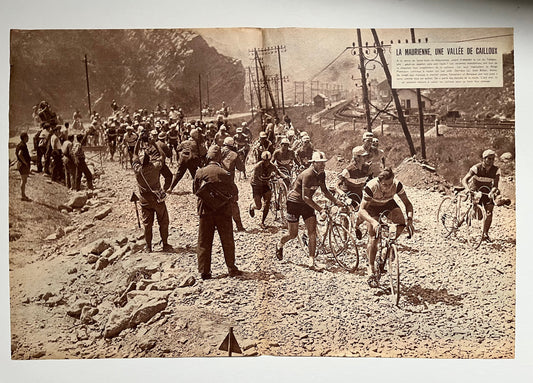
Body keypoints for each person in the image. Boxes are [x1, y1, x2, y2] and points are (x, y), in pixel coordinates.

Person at [275, 151, 343, 268]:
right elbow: (305, 197)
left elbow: (325, 191)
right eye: (320, 163)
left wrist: (336, 201)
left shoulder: (322, 174)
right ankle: (280, 244)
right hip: (294, 203)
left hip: (307, 204)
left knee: (312, 232)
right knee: (293, 234)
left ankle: (311, 261)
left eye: (324, 163)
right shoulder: (308, 174)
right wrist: (320, 209)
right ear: (313, 163)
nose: (323, 165)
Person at [358, 167, 414, 287]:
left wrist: (409, 220)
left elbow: (408, 204)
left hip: (388, 204)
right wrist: (373, 222)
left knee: (401, 222)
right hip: (371, 207)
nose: (388, 187)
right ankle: (371, 268)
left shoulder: (397, 185)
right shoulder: (371, 186)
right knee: (374, 237)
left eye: (390, 184)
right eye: (385, 185)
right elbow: (361, 210)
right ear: (379, 182)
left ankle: (386, 249)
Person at [193, 145, 242, 280]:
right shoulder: (225, 174)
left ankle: (205, 271)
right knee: (227, 240)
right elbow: (234, 192)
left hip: (205, 211)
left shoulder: (200, 172)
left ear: (208, 157)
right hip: (223, 211)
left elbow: (195, 190)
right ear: (220, 158)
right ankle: (231, 268)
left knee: (204, 241)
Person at [132, 136, 173, 253]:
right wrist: (154, 143)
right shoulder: (155, 167)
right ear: (149, 159)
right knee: (163, 222)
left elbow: (134, 154)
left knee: (147, 224)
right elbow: (162, 156)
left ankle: (148, 247)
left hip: (144, 200)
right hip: (157, 199)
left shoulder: (137, 169)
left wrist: (139, 140)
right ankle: (165, 244)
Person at [461, 149, 501, 242]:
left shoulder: (496, 170)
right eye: (489, 159)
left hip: (487, 192)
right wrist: (467, 189)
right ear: (483, 159)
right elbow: (464, 180)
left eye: (493, 159)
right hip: (476, 191)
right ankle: (466, 215)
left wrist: (493, 191)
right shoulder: (476, 168)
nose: (491, 161)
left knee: (489, 213)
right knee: (478, 216)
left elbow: (495, 185)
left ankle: (485, 234)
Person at [336, 145, 371, 239]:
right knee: (346, 213)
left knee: (367, 211)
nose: (365, 158)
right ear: (357, 157)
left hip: (359, 194)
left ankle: (356, 226)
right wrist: (341, 193)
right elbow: (336, 185)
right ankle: (345, 238)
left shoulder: (367, 168)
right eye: (363, 156)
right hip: (348, 194)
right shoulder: (348, 170)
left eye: (365, 156)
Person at [249, 151, 289, 228]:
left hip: (265, 185)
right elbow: (259, 178)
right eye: (265, 161)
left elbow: (278, 172)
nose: (267, 163)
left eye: (268, 161)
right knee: (258, 206)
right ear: (262, 160)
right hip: (256, 185)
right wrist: (269, 178)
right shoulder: (258, 166)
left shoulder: (272, 166)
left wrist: (285, 177)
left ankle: (262, 222)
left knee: (267, 202)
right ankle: (252, 206)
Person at [220, 137, 246, 231]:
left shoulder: (218, 152)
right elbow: (241, 168)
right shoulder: (234, 154)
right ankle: (239, 226)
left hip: (217, 182)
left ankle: (216, 225)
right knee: (233, 204)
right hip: (229, 182)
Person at [16, 132, 31, 201]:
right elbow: (20, 154)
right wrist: (25, 162)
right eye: (27, 137)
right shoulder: (22, 145)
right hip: (23, 165)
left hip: (21, 164)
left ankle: (23, 195)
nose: (28, 138)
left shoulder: (19, 144)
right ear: (24, 138)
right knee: (23, 180)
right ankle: (22, 196)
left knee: (24, 180)